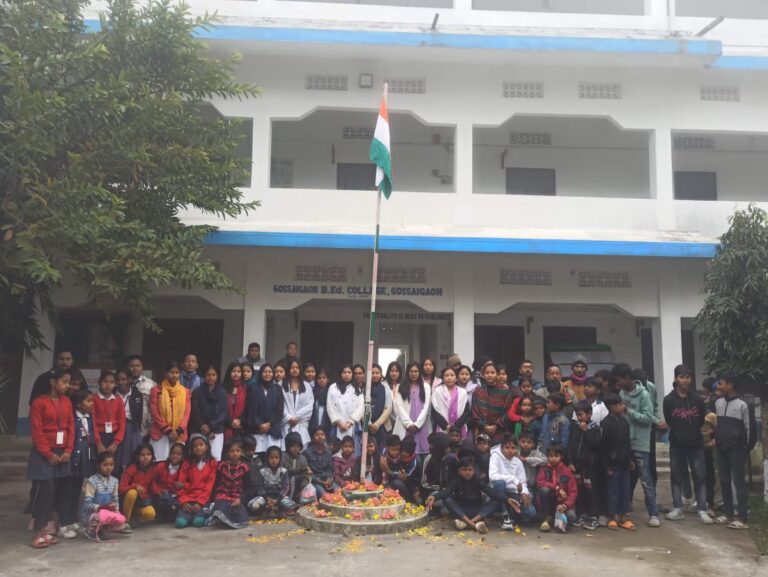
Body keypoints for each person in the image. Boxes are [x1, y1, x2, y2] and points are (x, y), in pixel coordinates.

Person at [27, 367, 75, 548]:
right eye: (64, 381)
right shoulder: (39, 403)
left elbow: (71, 426)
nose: (67, 385)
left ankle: (46, 532)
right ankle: (38, 533)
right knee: (45, 491)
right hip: (43, 454)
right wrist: (47, 453)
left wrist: (68, 450)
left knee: (57, 492)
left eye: (68, 382)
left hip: (62, 453)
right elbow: (37, 431)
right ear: (53, 382)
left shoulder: (67, 402)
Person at [663, 364, 712, 524]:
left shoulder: (697, 399)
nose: (685, 380)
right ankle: (678, 508)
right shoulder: (668, 400)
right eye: (682, 377)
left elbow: (700, 421)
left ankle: (702, 510)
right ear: (676, 379)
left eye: (688, 377)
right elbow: (670, 421)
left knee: (700, 477)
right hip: (676, 444)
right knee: (676, 477)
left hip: (696, 444)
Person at [613, 363, 661, 527]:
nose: (618, 384)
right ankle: (624, 510)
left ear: (627, 378)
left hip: (640, 443)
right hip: (625, 443)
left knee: (646, 480)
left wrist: (627, 411)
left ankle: (653, 513)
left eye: (619, 380)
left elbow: (648, 419)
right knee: (626, 479)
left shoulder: (644, 395)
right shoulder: (621, 393)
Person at [426, 455, 519, 534]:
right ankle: (474, 525)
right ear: (459, 471)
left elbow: (491, 492)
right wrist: (434, 497)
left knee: (495, 501)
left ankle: (467, 524)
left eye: (470, 470)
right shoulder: (456, 481)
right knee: (446, 500)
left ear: (474, 471)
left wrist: (507, 499)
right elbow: (447, 491)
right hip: (461, 512)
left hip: (477, 512)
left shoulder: (478, 481)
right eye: (464, 470)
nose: (467, 472)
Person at [713, 372, 751, 530]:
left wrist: (746, 449)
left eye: (721, 383)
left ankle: (742, 517)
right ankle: (728, 514)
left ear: (730, 385)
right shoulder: (718, 403)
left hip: (737, 449)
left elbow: (749, 429)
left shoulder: (743, 405)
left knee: (738, 482)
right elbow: (717, 425)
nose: (719, 386)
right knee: (724, 481)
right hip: (721, 448)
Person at [58, 389, 96, 539]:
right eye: (88, 401)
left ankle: (73, 520)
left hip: (84, 460)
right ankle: (63, 523)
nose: (92, 404)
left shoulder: (89, 418)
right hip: (73, 459)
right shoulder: (72, 418)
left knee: (76, 492)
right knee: (67, 490)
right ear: (79, 404)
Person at [601, 394, 635, 531]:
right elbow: (603, 447)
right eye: (620, 405)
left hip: (624, 462)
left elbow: (627, 443)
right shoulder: (606, 423)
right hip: (612, 464)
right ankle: (612, 516)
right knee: (613, 491)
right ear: (612, 407)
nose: (623, 407)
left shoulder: (624, 421)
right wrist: (606, 466)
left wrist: (630, 459)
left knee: (625, 490)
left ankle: (623, 516)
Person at [489, 434, 536, 529]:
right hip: (499, 492)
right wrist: (513, 479)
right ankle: (504, 515)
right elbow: (492, 476)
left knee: (531, 513)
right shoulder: (495, 457)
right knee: (500, 483)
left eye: (513, 448)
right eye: (507, 447)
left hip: (514, 492)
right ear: (502, 447)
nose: (510, 450)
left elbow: (523, 481)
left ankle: (512, 513)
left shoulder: (517, 461)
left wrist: (524, 492)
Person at [567, 401, 601, 530]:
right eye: (577, 415)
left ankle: (593, 517)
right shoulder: (575, 428)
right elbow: (570, 445)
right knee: (579, 490)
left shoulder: (595, 428)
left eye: (581, 415)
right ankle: (582, 514)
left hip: (590, 467)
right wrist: (570, 462)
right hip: (577, 466)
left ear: (589, 414)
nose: (579, 418)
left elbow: (595, 445)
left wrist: (586, 431)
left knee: (591, 491)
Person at [149, 361, 192, 462]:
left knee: (177, 462)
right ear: (165, 374)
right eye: (171, 372)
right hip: (160, 432)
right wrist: (167, 430)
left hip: (179, 433)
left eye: (177, 372)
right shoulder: (156, 390)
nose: (174, 375)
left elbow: (187, 413)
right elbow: (154, 412)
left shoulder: (185, 392)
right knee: (160, 462)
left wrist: (178, 431)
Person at [81, 451, 127, 541]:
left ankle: (103, 529)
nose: (108, 467)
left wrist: (116, 512)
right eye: (105, 465)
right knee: (98, 518)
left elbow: (115, 499)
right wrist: (102, 507)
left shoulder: (114, 481)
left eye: (111, 465)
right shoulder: (91, 481)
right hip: (92, 514)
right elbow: (87, 504)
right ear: (98, 465)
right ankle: (90, 532)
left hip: (107, 512)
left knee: (121, 523)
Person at [175, 434, 217, 528]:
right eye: (195, 446)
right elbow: (179, 484)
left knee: (197, 522)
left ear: (207, 447)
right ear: (192, 448)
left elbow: (209, 486)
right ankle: (188, 515)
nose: (198, 448)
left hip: (203, 500)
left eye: (201, 445)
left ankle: (202, 515)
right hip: (188, 499)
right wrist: (184, 502)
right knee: (180, 523)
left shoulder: (212, 463)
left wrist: (200, 503)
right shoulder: (187, 463)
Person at [393, 362, 432, 455]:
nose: (413, 374)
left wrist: (417, 424)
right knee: (405, 452)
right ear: (407, 372)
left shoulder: (426, 386)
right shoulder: (400, 386)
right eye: (411, 371)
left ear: (420, 372)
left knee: (423, 454)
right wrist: (409, 424)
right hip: (405, 425)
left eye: (416, 371)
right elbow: (399, 406)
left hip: (422, 425)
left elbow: (426, 407)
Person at [209, 440, 250, 529]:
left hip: (237, 496)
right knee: (220, 506)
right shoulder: (221, 465)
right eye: (232, 451)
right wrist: (213, 498)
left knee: (240, 513)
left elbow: (248, 486)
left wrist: (240, 499)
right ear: (227, 452)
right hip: (223, 494)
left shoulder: (245, 467)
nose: (235, 453)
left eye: (237, 451)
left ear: (241, 452)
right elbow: (216, 482)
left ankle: (226, 520)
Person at [536, 444, 577, 533]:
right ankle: (545, 519)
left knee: (571, 516)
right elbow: (540, 482)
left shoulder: (567, 471)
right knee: (544, 490)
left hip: (562, 503)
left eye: (556, 456)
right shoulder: (544, 469)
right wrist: (557, 488)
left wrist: (565, 505)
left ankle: (557, 520)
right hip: (549, 502)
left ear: (561, 456)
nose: (553, 458)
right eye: (551, 456)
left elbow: (573, 492)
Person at [246, 363, 285, 454]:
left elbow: (279, 409)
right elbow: (250, 408)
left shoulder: (277, 388)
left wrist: (269, 423)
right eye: (265, 372)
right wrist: (259, 424)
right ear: (260, 373)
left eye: (270, 372)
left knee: (272, 457)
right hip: (256, 430)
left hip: (272, 430)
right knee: (257, 458)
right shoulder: (253, 388)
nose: (267, 374)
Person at [191, 365, 228, 460]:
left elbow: (223, 413)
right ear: (204, 376)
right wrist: (202, 425)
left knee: (214, 459)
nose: (210, 377)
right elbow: (195, 411)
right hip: (199, 429)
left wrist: (211, 426)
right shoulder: (197, 392)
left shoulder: (223, 393)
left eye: (213, 375)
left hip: (216, 430)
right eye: (208, 375)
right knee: (198, 458)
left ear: (217, 376)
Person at [470, 363, 512, 444]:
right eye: (487, 373)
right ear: (483, 375)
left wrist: (496, 425)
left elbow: (507, 411)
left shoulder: (505, 392)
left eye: (492, 373)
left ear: (497, 374)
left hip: (499, 430)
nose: (490, 375)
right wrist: (485, 426)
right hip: (481, 429)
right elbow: (474, 412)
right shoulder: (478, 391)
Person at [249, 446, 296, 516]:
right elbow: (260, 487)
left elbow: (285, 488)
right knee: (253, 505)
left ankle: (280, 509)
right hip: (265, 497)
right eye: (271, 458)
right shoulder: (262, 471)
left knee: (291, 505)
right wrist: (266, 498)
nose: (274, 460)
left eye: (276, 458)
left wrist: (277, 499)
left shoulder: (283, 471)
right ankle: (266, 508)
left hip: (279, 497)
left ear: (280, 459)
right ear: (267, 459)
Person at [120, 444, 157, 530]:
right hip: (128, 500)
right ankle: (125, 522)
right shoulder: (132, 469)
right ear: (137, 457)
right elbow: (121, 488)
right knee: (132, 493)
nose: (146, 457)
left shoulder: (152, 470)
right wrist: (134, 486)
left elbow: (153, 486)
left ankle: (135, 517)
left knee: (150, 513)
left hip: (142, 501)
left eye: (148, 454)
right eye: (142, 455)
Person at [115, 368, 143, 475]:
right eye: (118, 380)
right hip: (116, 428)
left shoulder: (137, 394)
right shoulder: (113, 393)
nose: (121, 382)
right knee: (117, 457)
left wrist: (138, 429)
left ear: (129, 379)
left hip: (132, 428)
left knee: (133, 457)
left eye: (123, 379)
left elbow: (139, 414)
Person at [327, 365, 363, 447]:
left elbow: (360, 408)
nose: (346, 374)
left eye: (349, 372)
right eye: (344, 372)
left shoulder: (357, 389)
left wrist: (350, 422)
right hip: (337, 426)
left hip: (352, 426)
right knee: (335, 451)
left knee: (354, 452)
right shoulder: (333, 387)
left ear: (352, 374)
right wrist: (339, 422)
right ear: (340, 374)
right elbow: (329, 406)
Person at [92, 370, 126, 460]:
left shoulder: (118, 400)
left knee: (113, 464)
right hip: (99, 436)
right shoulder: (93, 399)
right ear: (99, 383)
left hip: (114, 437)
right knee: (99, 463)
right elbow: (92, 421)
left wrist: (116, 442)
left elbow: (122, 422)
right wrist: (98, 443)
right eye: (105, 382)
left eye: (111, 382)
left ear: (115, 384)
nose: (108, 385)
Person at [281, 359, 315, 447]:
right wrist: (289, 418)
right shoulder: (281, 385)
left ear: (300, 370)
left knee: (300, 450)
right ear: (289, 369)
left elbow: (309, 406)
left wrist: (296, 417)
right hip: (285, 424)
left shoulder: (307, 386)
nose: (295, 369)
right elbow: (279, 404)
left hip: (300, 424)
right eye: (292, 367)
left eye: (297, 368)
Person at [431, 366, 470, 438]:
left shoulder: (463, 392)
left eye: (452, 375)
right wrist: (446, 426)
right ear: (443, 378)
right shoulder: (437, 391)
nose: (449, 378)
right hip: (443, 428)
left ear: (456, 377)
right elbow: (434, 412)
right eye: (446, 375)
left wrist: (456, 426)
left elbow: (466, 412)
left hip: (459, 428)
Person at [151, 442, 185, 523]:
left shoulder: (184, 469)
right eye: (173, 453)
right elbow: (152, 480)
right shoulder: (161, 466)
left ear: (183, 456)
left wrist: (182, 485)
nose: (175, 456)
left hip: (176, 495)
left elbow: (189, 483)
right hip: (162, 495)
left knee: (178, 502)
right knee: (164, 499)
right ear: (169, 454)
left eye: (178, 454)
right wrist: (158, 491)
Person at [125, 354, 156, 438]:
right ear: (127, 367)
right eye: (132, 366)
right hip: (126, 427)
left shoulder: (151, 385)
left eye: (138, 366)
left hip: (145, 428)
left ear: (142, 367)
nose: (135, 368)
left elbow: (155, 407)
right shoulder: (122, 384)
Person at [367, 363, 393, 449]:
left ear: (381, 374)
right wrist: (369, 424)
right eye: (372, 373)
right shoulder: (364, 388)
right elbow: (361, 408)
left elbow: (388, 408)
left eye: (377, 373)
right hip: (367, 426)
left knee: (382, 451)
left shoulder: (386, 388)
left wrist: (376, 425)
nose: (374, 375)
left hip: (382, 426)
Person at [304, 426, 336, 497]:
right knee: (324, 496)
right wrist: (321, 482)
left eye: (322, 434)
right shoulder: (307, 453)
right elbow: (307, 474)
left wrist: (328, 479)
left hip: (326, 480)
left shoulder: (328, 452)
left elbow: (330, 469)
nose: (320, 437)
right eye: (317, 435)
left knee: (339, 491)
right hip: (315, 482)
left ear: (325, 437)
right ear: (312, 438)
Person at [282, 432, 312, 504]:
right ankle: (289, 503)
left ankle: (304, 502)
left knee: (307, 485)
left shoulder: (302, 458)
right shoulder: (284, 456)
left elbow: (305, 474)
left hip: (299, 482)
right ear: (288, 446)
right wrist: (302, 469)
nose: (295, 449)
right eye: (293, 446)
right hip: (286, 481)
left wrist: (304, 486)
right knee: (294, 479)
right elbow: (287, 470)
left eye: (298, 446)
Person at [517, 432, 547, 503]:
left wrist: (526, 459)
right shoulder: (516, 453)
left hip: (530, 487)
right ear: (518, 442)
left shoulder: (535, 453)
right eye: (523, 441)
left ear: (533, 444)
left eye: (529, 442)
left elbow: (545, 461)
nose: (526, 444)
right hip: (517, 486)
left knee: (526, 503)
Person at [222, 362, 247, 443]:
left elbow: (248, 407)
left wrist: (239, 420)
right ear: (229, 372)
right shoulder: (222, 388)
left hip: (240, 427)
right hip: (224, 426)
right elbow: (220, 408)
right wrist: (230, 422)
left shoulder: (245, 388)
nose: (236, 374)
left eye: (239, 372)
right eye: (233, 371)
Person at [309, 368, 332, 437]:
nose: (321, 380)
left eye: (324, 378)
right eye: (319, 378)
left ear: (328, 379)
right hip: (314, 423)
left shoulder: (331, 392)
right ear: (316, 379)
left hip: (326, 423)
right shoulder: (312, 392)